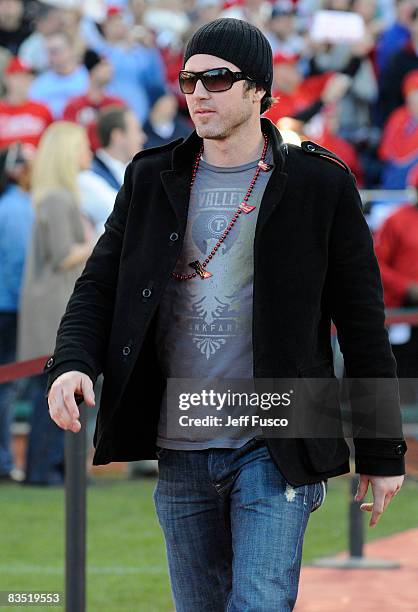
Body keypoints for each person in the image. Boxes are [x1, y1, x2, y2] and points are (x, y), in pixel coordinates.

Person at [45, 18, 407, 610]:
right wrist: (72, 363)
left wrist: (382, 448)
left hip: (277, 439)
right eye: (189, 80)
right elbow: (99, 285)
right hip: (179, 440)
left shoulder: (321, 182)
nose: (198, 94)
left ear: (259, 88)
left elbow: (363, 323)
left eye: (217, 78)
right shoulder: (150, 175)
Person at [18, 122, 95, 485]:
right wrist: (98, 244)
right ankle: (43, 468)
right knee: (50, 389)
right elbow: (64, 254)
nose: (87, 152)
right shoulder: (58, 198)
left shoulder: (54, 196)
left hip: (52, 300)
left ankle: (53, 466)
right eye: (81, 146)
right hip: (53, 304)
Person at [0, 143, 34, 482]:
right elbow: (18, 266)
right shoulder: (16, 208)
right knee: (7, 388)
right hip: (8, 308)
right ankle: (4, 461)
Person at [78, 106, 146, 234]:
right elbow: (126, 216)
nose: (143, 138)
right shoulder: (88, 176)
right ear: (118, 136)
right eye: (137, 131)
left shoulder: (135, 171)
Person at [63, 49, 124, 152]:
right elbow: (67, 138)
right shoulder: (74, 106)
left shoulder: (116, 104)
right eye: (103, 65)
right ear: (92, 70)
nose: (110, 69)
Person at [0, 56, 53, 151]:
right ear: (6, 78)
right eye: (18, 76)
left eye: (27, 76)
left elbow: (51, 143)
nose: (24, 81)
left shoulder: (42, 109)